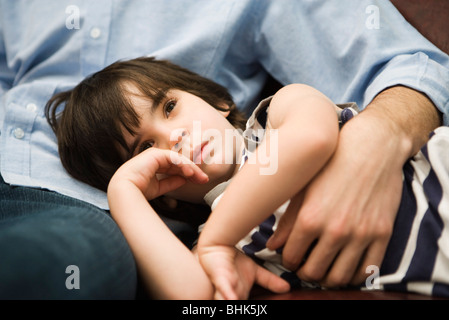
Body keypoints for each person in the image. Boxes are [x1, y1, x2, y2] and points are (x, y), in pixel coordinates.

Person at [1, 0, 449, 298]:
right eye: (144, 149)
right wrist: (125, 194)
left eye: (170, 107)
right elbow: (197, 299)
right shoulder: (222, 241)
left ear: (218, 100)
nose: (172, 137)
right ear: (163, 194)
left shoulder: (276, 117)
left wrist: (214, 241)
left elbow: (312, 140)